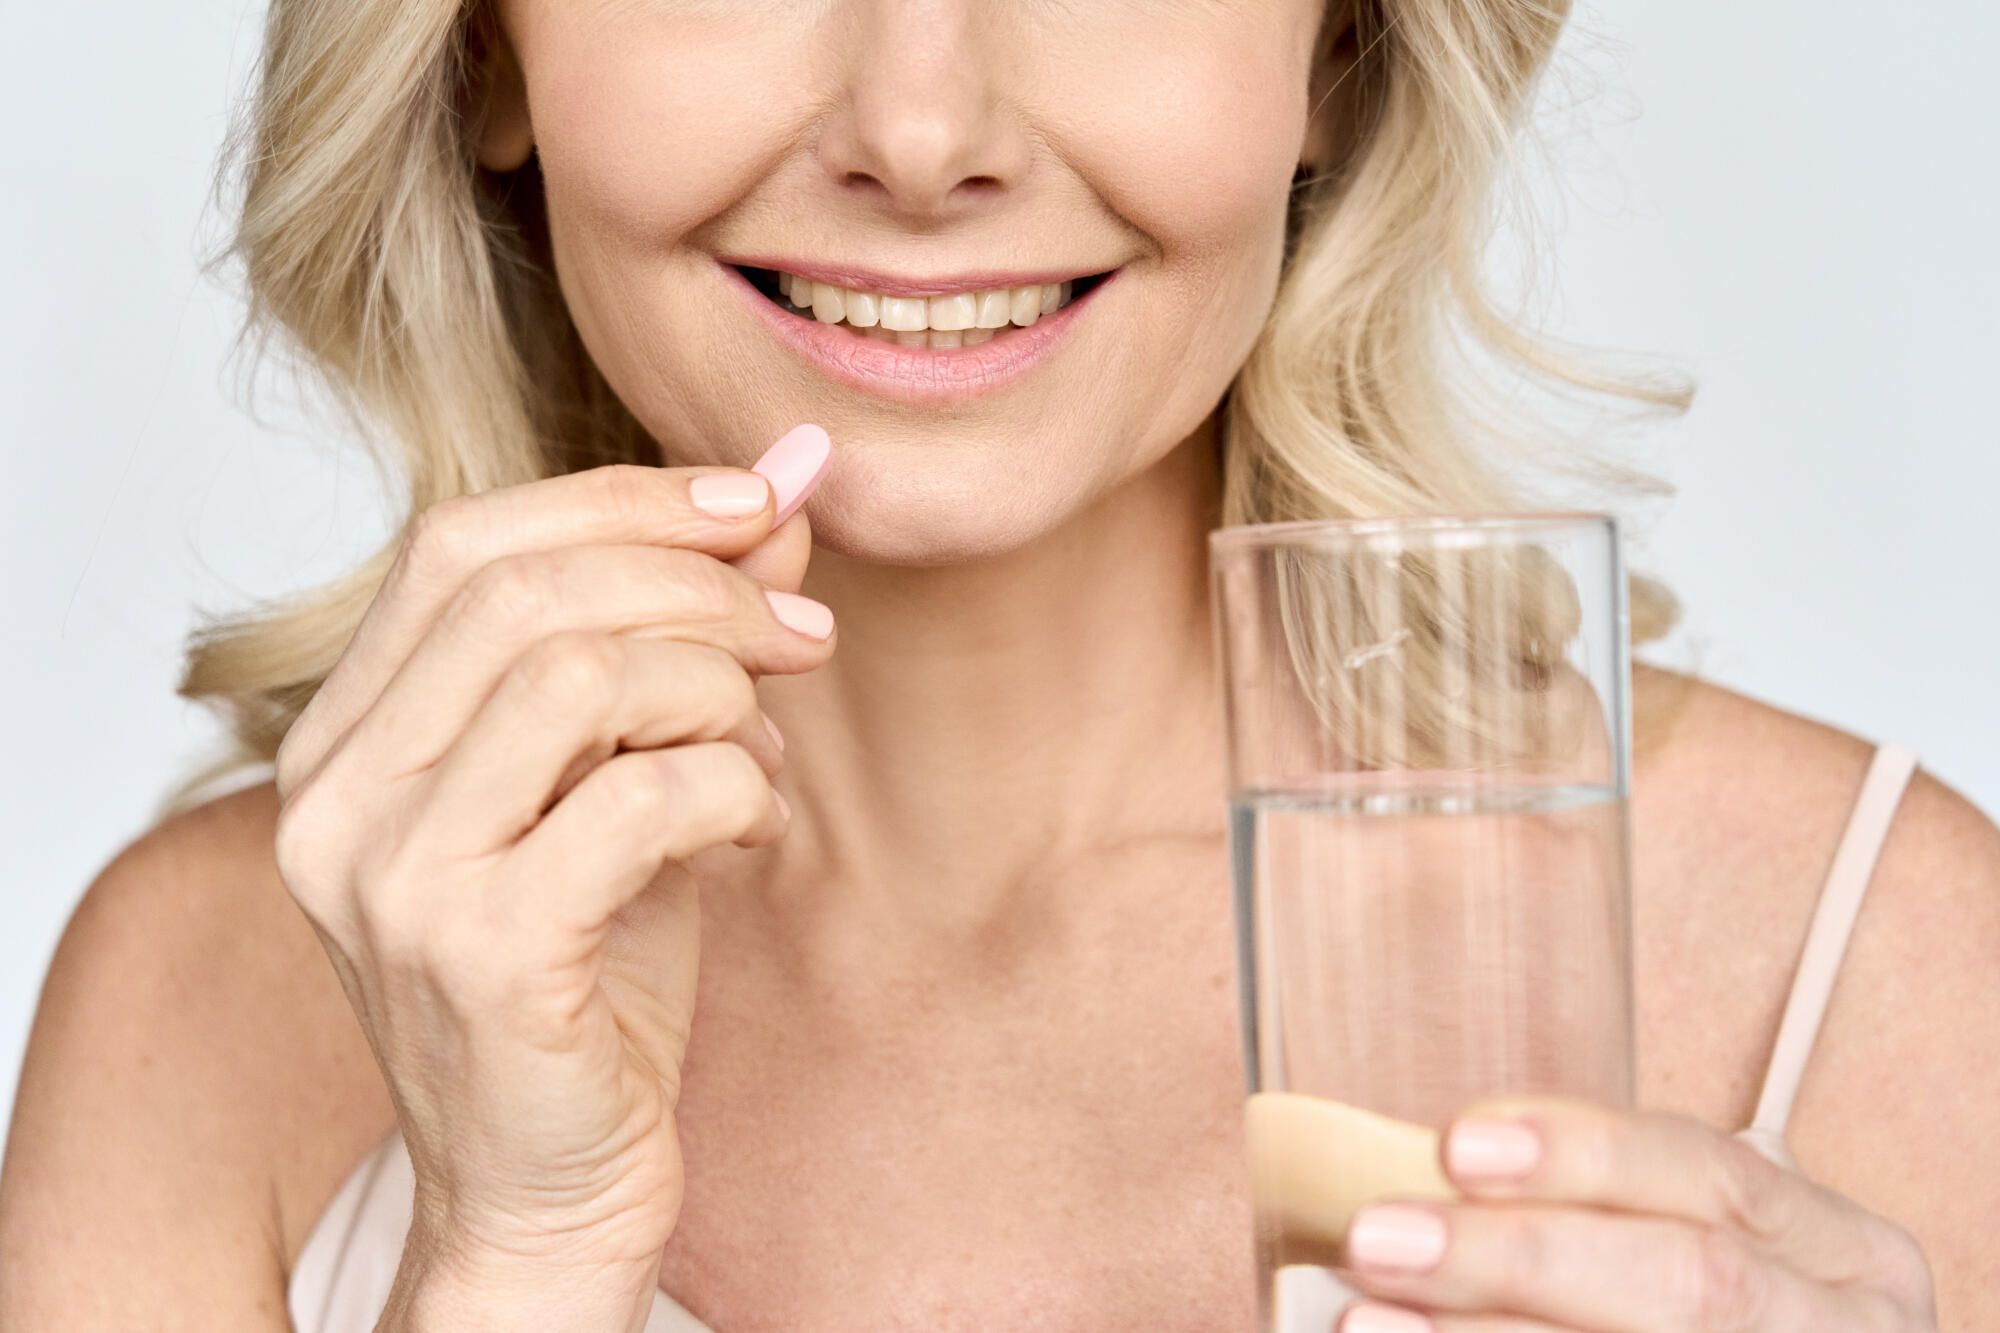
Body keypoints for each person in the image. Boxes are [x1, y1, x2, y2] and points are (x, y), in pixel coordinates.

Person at [2, 0, 1994, 1328]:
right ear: (485, 54)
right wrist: (512, 1262)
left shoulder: (1884, 970)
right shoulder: (209, 1007)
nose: (922, 131)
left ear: (1335, 47)